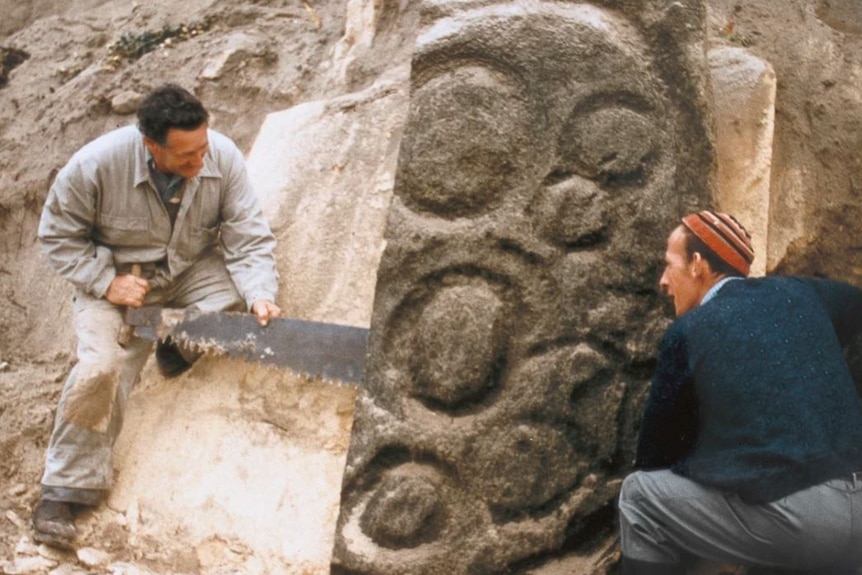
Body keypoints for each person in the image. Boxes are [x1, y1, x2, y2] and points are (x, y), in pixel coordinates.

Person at [32, 83, 281, 549]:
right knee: (102, 368)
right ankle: (63, 491)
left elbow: (248, 234)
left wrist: (260, 294)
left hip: (185, 272)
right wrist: (108, 282)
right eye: (186, 157)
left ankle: (170, 344)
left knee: (228, 308)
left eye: (203, 149)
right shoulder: (94, 165)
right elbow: (57, 237)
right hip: (115, 283)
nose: (199, 163)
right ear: (151, 145)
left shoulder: (220, 155)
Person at [618, 210, 862, 574]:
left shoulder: (688, 331)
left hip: (806, 525)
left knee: (638, 496)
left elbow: (655, 455)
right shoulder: (802, 292)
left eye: (669, 265)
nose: (663, 282)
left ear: (698, 264)